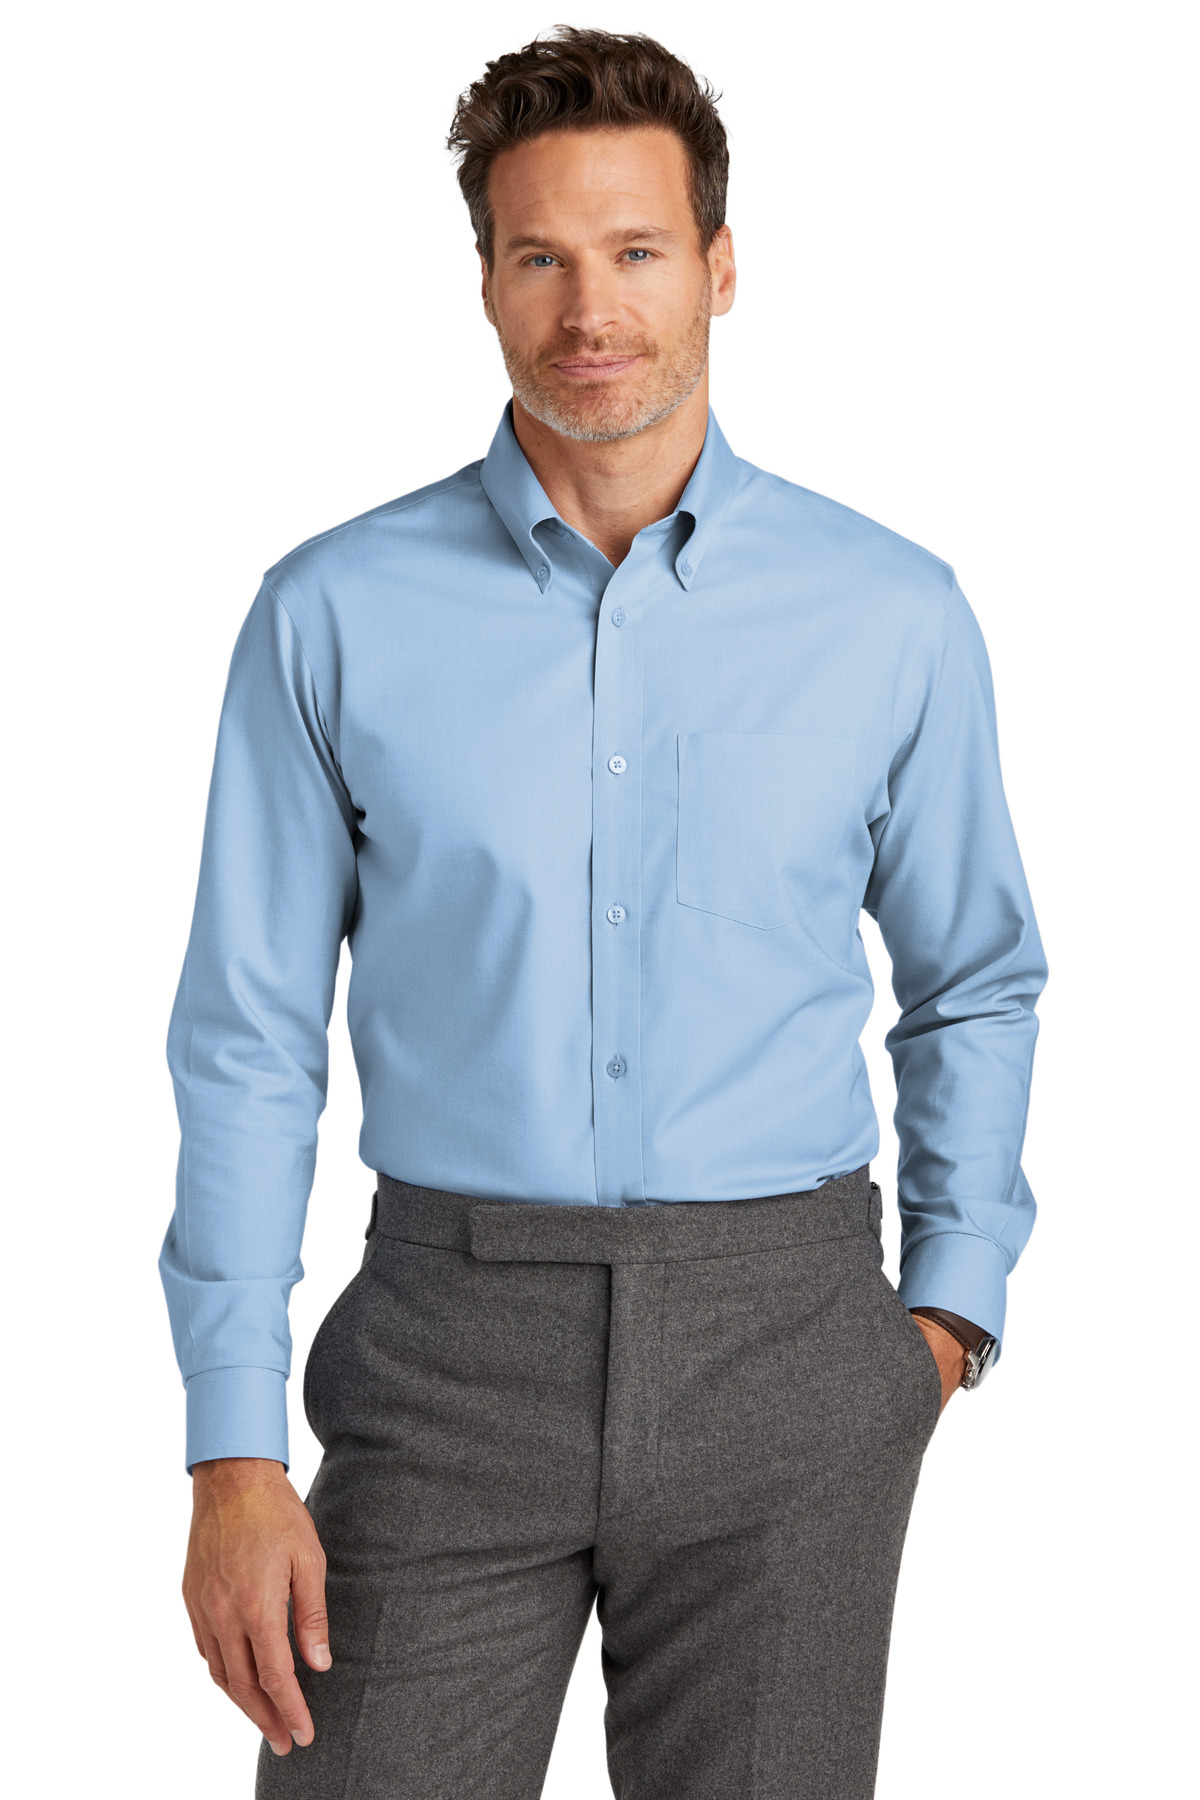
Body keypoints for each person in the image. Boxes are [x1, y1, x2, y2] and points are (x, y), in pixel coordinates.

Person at [160, 26, 1047, 1799]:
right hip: (445, 1350)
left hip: (791, 1348)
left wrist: (942, 1318)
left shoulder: (892, 613)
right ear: (485, 280)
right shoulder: (331, 613)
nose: (590, 309)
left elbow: (974, 980)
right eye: (539, 257)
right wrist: (231, 1445)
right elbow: (249, 1038)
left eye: (636, 250)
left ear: (719, 265)